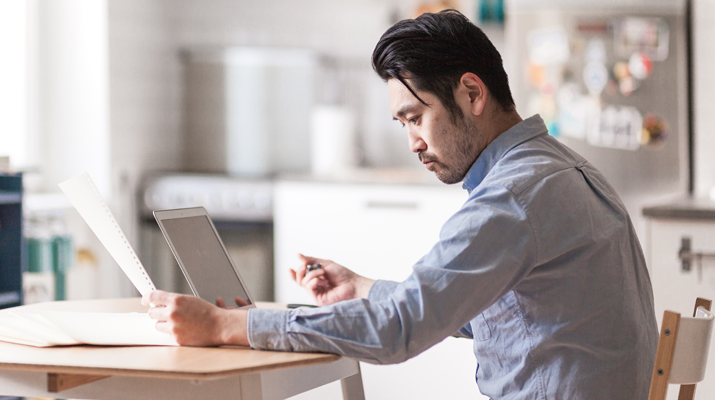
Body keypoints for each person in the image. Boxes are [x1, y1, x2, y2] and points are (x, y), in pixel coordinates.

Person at [143, 9, 658, 399]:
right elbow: (502, 316)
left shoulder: (513, 198)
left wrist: (227, 326)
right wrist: (363, 288)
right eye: (402, 124)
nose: (412, 142)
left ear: (471, 94)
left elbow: (400, 330)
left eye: (416, 117)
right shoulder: (566, 170)